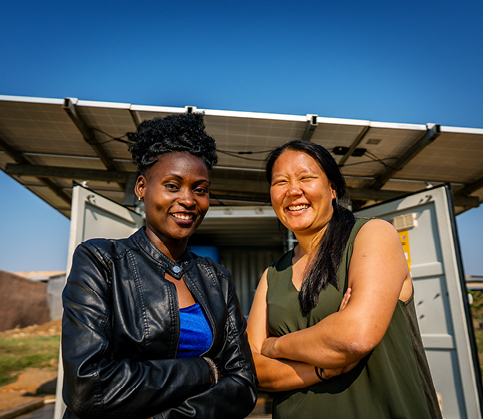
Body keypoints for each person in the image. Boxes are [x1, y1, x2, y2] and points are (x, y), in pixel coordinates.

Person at [61, 113, 258, 419]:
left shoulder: (217, 278)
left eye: (200, 189)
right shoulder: (101, 261)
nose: (188, 199)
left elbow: (243, 384)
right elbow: (88, 387)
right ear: (142, 187)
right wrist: (204, 370)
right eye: (172, 185)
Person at [247, 140, 442, 419]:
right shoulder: (272, 274)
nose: (292, 191)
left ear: (333, 188)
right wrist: (322, 369)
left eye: (305, 178)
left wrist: (275, 346)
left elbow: (354, 337)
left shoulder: (373, 235)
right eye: (280, 182)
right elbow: (251, 368)